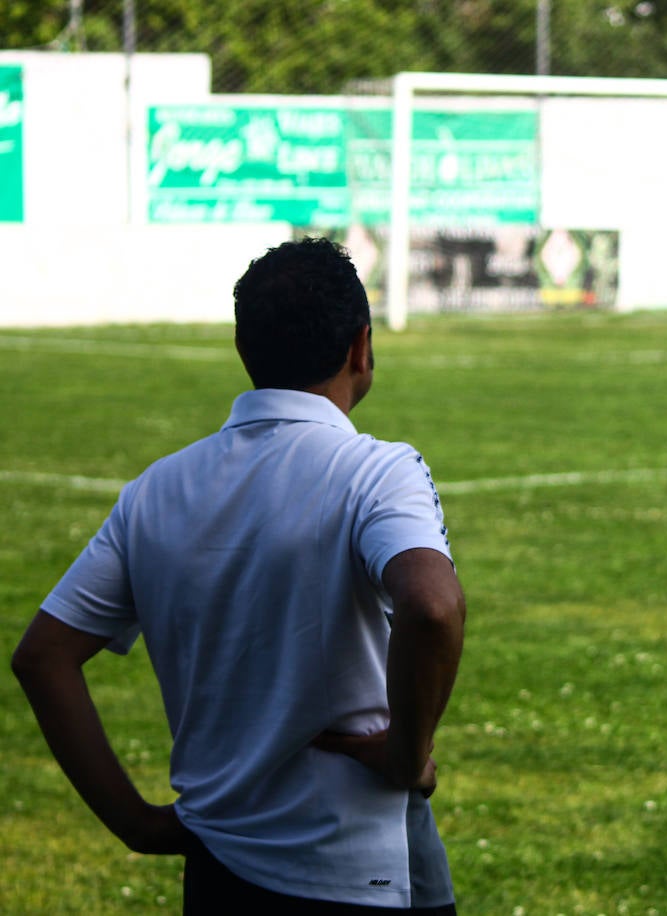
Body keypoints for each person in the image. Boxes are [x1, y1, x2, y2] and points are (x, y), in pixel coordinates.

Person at [11, 237, 466, 913]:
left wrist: (136, 824)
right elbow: (432, 606)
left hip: (221, 863)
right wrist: (405, 754)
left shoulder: (155, 492)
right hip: (360, 864)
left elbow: (44, 656)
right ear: (361, 349)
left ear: (243, 347)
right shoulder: (377, 470)